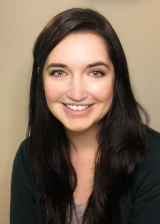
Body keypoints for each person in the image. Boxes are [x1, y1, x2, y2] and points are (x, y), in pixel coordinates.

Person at [10, 8, 160, 224]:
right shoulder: (28, 156)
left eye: (95, 72)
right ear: (41, 79)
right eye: (59, 72)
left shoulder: (154, 158)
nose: (77, 93)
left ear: (116, 79)